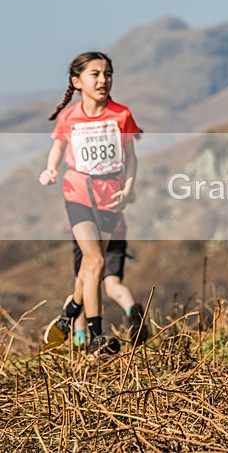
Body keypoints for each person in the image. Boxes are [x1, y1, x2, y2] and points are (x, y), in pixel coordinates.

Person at [40, 51, 140, 354]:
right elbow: (58, 147)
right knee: (95, 261)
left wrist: (128, 189)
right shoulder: (69, 117)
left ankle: (71, 310)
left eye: (107, 74)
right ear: (77, 82)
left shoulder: (121, 114)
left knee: (89, 266)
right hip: (78, 196)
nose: (103, 80)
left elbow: (131, 158)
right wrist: (50, 170)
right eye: (94, 74)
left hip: (110, 200)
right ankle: (96, 334)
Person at [71, 213, 150, 347]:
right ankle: (133, 312)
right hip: (115, 233)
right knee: (113, 285)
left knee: (83, 285)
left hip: (87, 233)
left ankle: (80, 338)